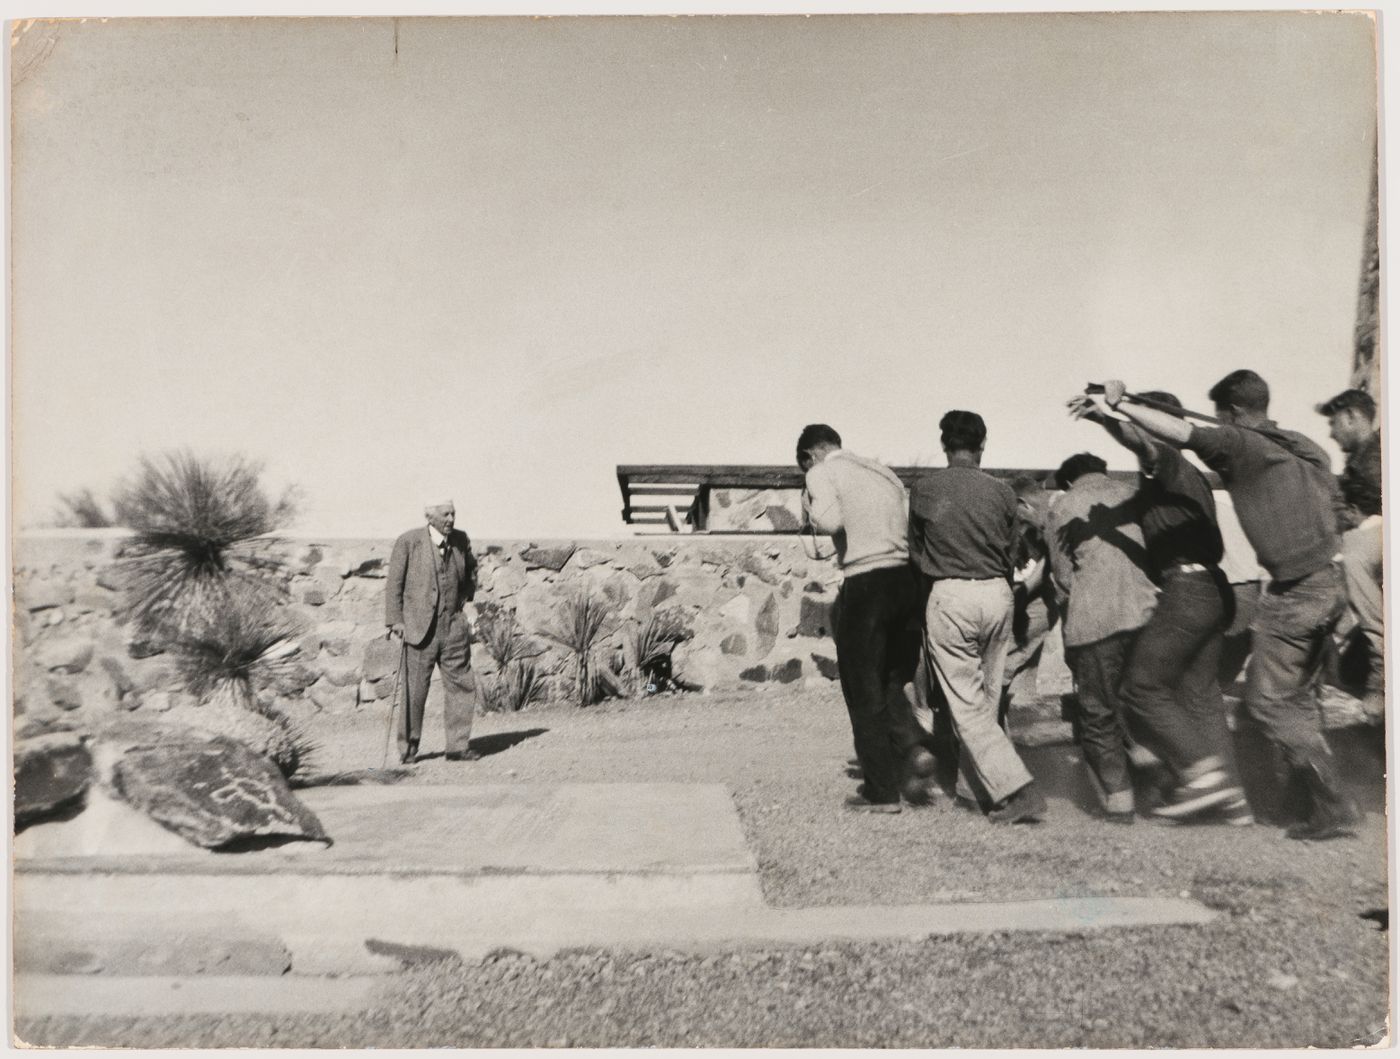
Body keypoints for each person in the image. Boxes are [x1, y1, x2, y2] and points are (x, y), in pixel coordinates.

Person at [1102, 371, 1360, 840]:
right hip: (1330, 581)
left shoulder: (1242, 445)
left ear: (1232, 412)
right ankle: (1295, 802)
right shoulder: (1300, 446)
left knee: (1265, 704)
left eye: (1222, 416)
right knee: (1286, 699)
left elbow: (1181, 433)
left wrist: (1119, 406)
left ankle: (1328, 801)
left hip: (1295, 588)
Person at [1068, 391, 1251, 825]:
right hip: (1211, 587)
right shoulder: (1176, 482)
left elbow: (1144, 444)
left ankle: (1206, 777)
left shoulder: (1168, 460)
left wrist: (1103, 421)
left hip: (1186, 586)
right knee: (1200, 695)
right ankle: (1234, 802)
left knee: (1140, 687)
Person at [908, 411, 1045, 823]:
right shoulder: (1003, 493)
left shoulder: (925, 489)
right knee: (987, 700)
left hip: (951, 594)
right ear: (982, 445)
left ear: (944, 445)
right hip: (997, 594)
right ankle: (975, 789)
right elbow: (1010, 550)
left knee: (964, 706)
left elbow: (915, 551)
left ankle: (1018, 789)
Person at [799, 424, 922, 812]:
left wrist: (810, 503)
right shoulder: (881, 471)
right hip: (905, 579)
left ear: (810, 455)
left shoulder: (821, 471)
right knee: (890, 680)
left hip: (867, 582)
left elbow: (830, 522)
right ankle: (912, 748)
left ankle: (882, 791)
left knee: (862, 687)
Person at [1046, 452, 1159, 823]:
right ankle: (1157, 788)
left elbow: (1063, 576)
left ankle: (1120, 800)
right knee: (1141, 700)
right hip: (1146, 611)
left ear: (1068, 480)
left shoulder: (1064, 504)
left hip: (1096, 618)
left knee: (1097, 710)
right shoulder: (1132, 494)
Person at [385, 499, 480, 765]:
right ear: (430, 516)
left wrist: (464, 602)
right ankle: (408, 749)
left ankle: (458, 747)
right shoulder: (409, 541)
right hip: (418, 629)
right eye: (445, 514)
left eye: (453, 513)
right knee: (414, 691)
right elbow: (394, 583)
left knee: (461, 685)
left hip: (453, 627)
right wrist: (395, 620)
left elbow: (472, 571)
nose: (451, 518)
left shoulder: (461, 540)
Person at [1317, 388, 1384, 722]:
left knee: (1355, 553)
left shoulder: (1378, 458)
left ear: (1352, 416)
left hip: (1373, 552)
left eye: (1333, 422)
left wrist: (1365, 522)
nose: (1330, 432)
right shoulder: (1364, 459)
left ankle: (1381, 689)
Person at [1000, 475, 1061, 720]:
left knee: (1003, 661)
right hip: (1052, 597)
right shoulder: (1045, 517)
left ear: (1024, 503)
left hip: (1058, 598)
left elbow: (1048, 567)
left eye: (1016, 513)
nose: (1016, 522)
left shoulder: (1053, 515)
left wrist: (1021, 596)